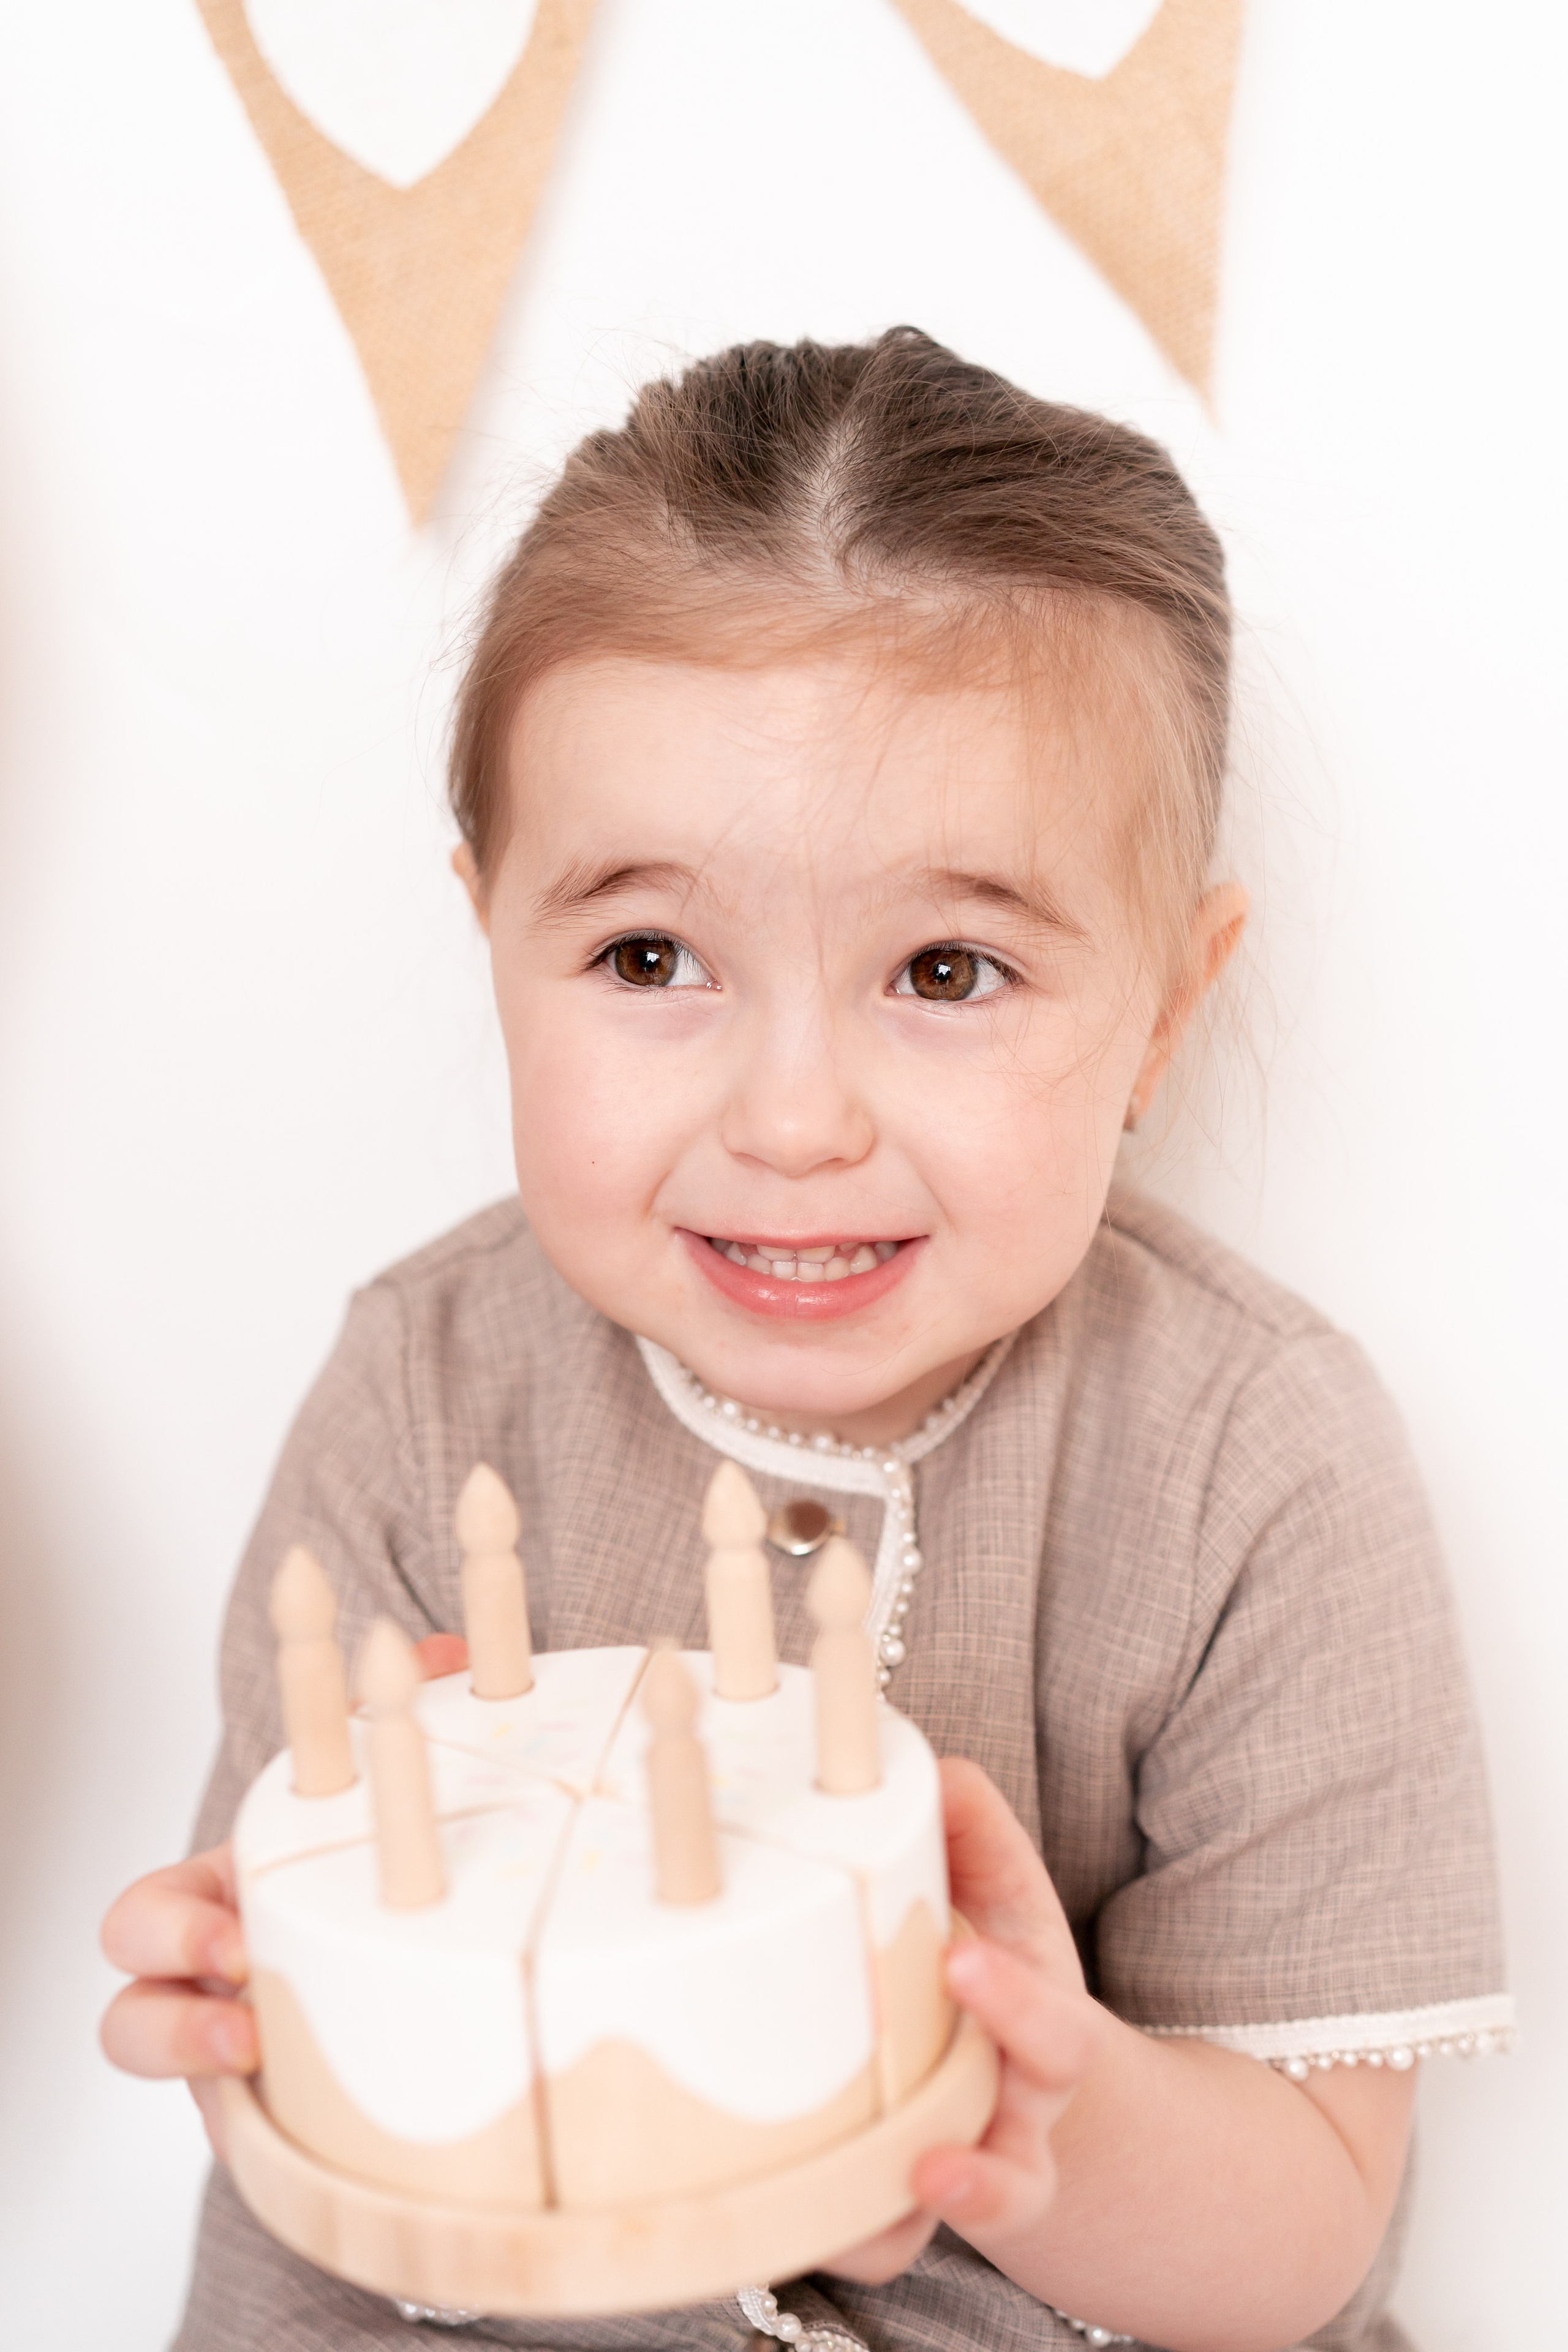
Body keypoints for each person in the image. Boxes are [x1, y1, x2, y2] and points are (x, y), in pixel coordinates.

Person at [99, 330, 1509, 2352]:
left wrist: (1050, 2106)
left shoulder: (1252, 1458)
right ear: (490, 940)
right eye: (648, 954)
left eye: (947, 970)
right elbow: (324, 2134)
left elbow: (1307, 2243)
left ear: (1165, 1012)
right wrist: (278, 2025)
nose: (791, 1119)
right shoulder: (423, 1392)